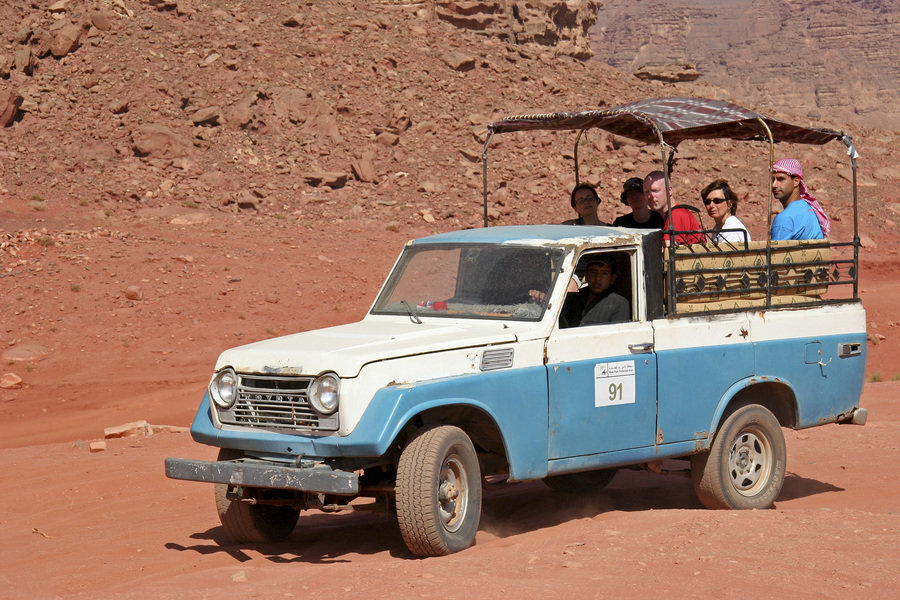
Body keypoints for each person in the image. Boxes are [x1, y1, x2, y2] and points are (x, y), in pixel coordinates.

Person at [559, 257, 630, 328]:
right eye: (593, 272)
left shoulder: (619, 303)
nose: (597, 278)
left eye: (604, 273)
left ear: (612, 278)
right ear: (586, 276)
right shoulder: (572, 298)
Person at [770, 158, 829, 240]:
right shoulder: (810, 209)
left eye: (781, 179)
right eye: (773, 180)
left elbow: (776, 248)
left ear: (796, 181)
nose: (774, 185)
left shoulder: (784, 219)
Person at [643, 171, 705, 244]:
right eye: (646, 192)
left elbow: (669, 248)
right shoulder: (667, 215)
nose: (650, 196)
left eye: (655, 191)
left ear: (669, 191)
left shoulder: (676, 214)